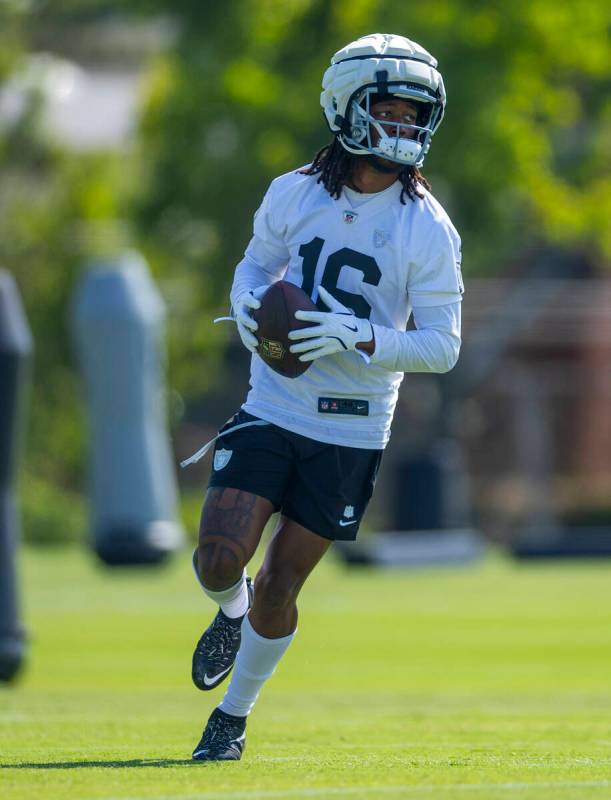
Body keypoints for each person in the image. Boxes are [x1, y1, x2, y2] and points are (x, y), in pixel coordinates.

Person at [187, 32, 464, 761]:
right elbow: (254, 267)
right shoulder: (294, 192)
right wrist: (249, 312)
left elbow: (442, 346)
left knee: (281, 583)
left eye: (414, 116)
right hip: (274, 403)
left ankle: (232, 716)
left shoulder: (427, 229)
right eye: (391, 113)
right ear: (346, 109)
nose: (405, 129)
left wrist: (358, 335)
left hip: (351, 427)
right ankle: (228, 610)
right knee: (218, 559)